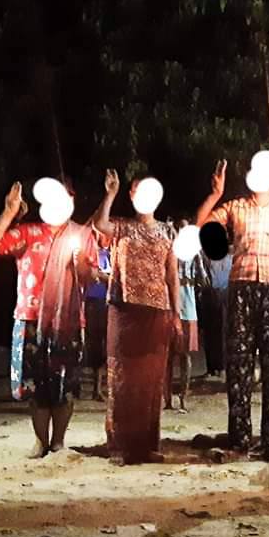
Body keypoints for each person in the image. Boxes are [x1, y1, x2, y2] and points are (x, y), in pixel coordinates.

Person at [195, 160, 269, 462]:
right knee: (239, 365)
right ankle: (240, 438)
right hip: (242, 285)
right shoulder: (236, 207)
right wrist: (215, 194)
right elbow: (202, 226)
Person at [0, 181, 96, 458]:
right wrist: (10, 211)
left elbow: (90, 277)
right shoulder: (29, 232)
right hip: (30, 317)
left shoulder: (81, 235)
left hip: (68, 322)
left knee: (65, 385)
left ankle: (58, 441)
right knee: (35, 386)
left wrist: (80, 262)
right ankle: (40, 440)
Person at [90, 170, 182, 464]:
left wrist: (176, 314)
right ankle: (119, 446)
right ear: (132, 195)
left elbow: (172, 275)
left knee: (151, 380)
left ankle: (146, 446)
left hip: (157, 309)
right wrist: (111, 192)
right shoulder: (121, 227)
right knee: (122, 379)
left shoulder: (168, 231)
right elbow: (98, 224)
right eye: (138, 191)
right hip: (123, 307)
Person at [169, 223, 207, 412]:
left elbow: (204, 278)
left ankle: (183, 396)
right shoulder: (170, 249)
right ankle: (167, 398)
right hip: (173, 304)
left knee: (185, 356)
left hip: (188, 305)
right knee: (169, 355)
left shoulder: (194, 253)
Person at [84, 245, 111, 401]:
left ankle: (100, 388)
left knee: (106, 346)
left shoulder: (111, 253)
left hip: (107, 302)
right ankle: (96, 388)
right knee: (94, 345)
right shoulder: (89, 252)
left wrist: (101, 275)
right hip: (92, 302)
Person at [201, 248, 233, 378]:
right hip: (209, 294)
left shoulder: (229, 257)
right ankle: (212, 367)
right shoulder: (205, 256)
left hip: (223, 294)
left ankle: (221, 366)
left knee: (222, 331)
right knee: (209, 332)